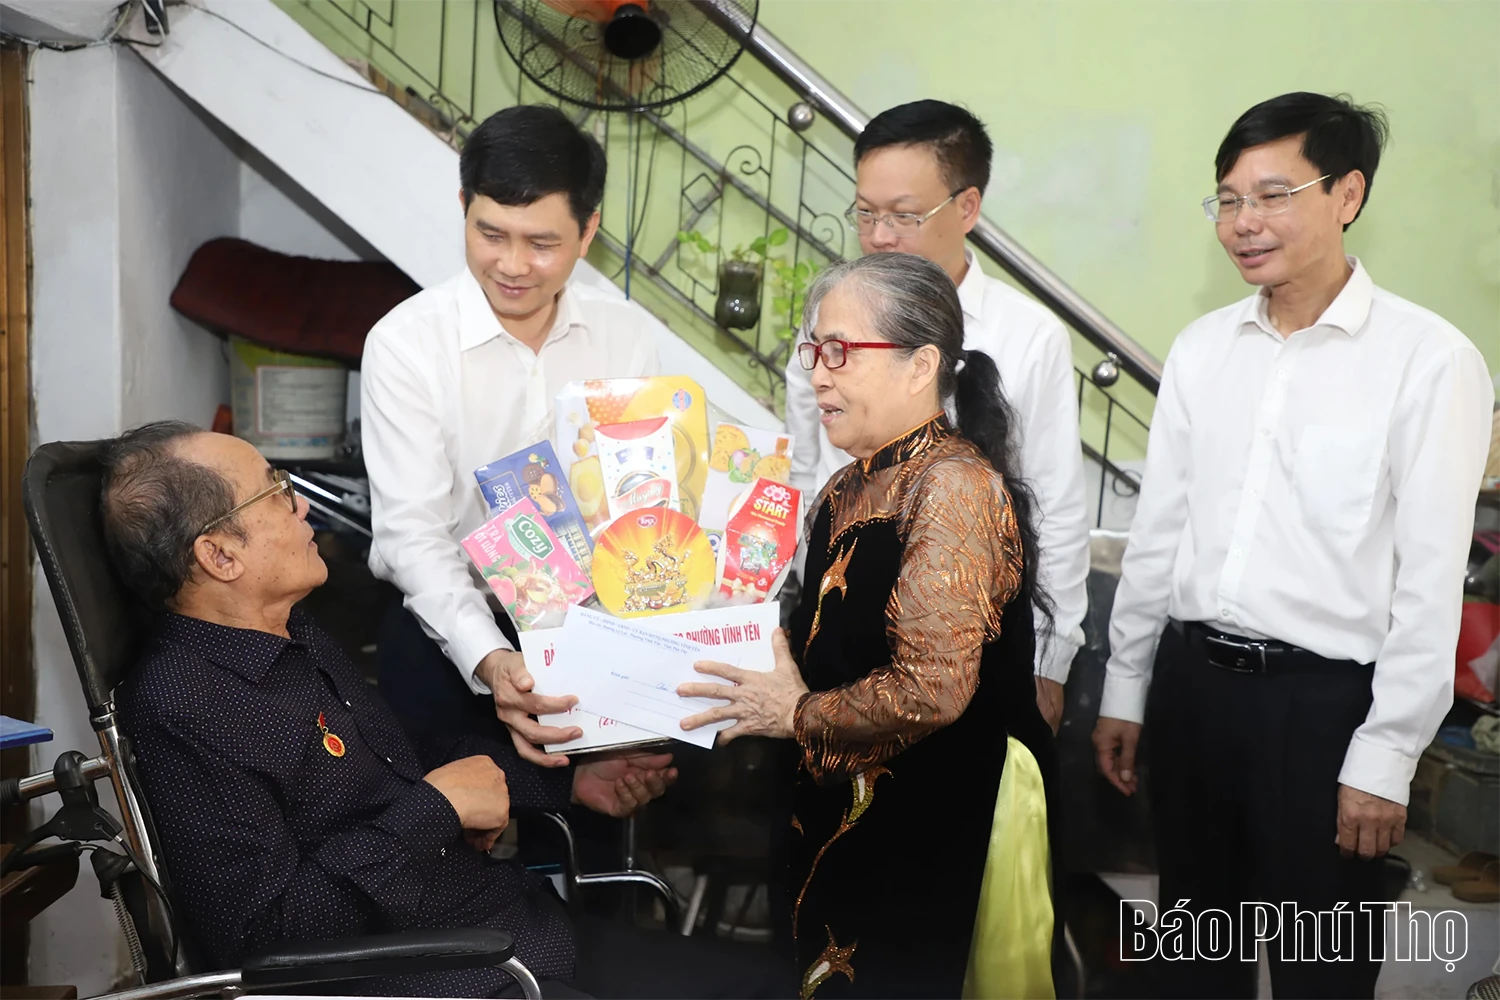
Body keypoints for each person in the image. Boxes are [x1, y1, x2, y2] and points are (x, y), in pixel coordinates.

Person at [105, 421, 792, 999]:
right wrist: (436, 810)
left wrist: (570, 781)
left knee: (785, 985)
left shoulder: (294, 633)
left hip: (515, 932)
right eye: (276, 492)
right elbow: (264, 942)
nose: (302, 507)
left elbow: (405, 760)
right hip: (446, 976)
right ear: (219, 554)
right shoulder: (181, 706)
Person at [1091, 93, 1494, 998]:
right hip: (1193, 694)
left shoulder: (1429, 361)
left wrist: (1387, 756)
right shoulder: (1203, 349)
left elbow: (1430, 583)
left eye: (1273, 196)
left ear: (1348, 194)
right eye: (1229, 200)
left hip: (1324, 714)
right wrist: (1126, 686)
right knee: (1195, 966)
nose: (1244, 223)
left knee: (1320, 972)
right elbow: (1160, 535)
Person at [681, 254, 1057, 998]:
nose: (818, 376)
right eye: (814, 352)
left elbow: (933, 689)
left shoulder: (953, 486)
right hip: (839, 809)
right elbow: (814, 655)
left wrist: (794, 714)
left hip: (932, 819)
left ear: (921, 365)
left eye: (841, 352)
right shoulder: (844, 487)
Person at [362, 104, 662, 767]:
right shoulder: (406, 345)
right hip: (450, 632)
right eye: (490, 234)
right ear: (463, 207)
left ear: (588, 231)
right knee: (442, 817)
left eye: (542, 243)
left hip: (592, 626)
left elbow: (639, 502)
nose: (513, 264)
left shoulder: (624, 336)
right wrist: (492, 658)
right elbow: (413, 534)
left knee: (598, 807)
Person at [783, 100, 1090, 732]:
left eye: (904, 215)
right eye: (865, 213)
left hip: (967, 652)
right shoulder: (828, 325)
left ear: (967, 207)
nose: (880, 235)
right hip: (838, 624)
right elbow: (803, 473)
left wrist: (1051, 661)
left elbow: (1055, 507)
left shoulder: (1029, 335)